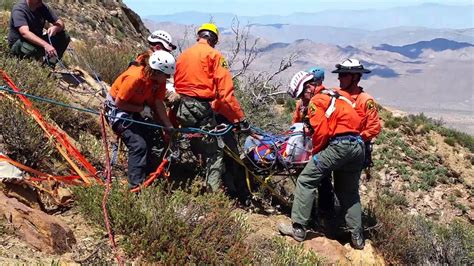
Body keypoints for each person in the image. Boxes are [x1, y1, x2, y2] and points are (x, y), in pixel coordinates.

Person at [278, 70, 366, 250]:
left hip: (339, 145)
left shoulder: (316, 101)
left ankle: (298, 228)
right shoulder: (337, 94)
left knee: (306, 180)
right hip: (358, 146)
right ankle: (357, 238)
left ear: (309, 87)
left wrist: (314, 155)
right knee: (349, 192)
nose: (303, 98)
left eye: (303, 94)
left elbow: (323, 132)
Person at [172, 22, 247, 192]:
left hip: (180, 107)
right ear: (213, 40)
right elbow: (226, 94)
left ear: (199, 36)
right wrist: (240, 119)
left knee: (198, 143)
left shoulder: (183, 55)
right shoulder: (214, 55)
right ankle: (211, 196)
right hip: (200, 108)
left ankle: (194, 176)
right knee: (215, 153)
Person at [104, 50, 175, 189]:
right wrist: (142, 110)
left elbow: (158, 102)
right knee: (138, 144)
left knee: (153, 137)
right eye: (166, 75)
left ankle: (148, 175)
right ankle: (135, 186)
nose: (167, 79)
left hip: (136, 108)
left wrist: (168, 125)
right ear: (157, 71)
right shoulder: (135, 77)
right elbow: (119, 103)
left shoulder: (157, 81)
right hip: (117, 110)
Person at [332, 59, 381, 171]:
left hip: (355, 154)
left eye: (343, 74)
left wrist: (354, 139)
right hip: (336, 150)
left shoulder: (365, 100)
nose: (339, 78)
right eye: (339, 74)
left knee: (347, 187)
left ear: (354, 77)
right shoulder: (336, 96)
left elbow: (374, 128)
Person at [8, 0, 70, 66]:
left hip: (37, 41)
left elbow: (60, 23)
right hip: (21, 43)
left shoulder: (42, 7)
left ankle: (49, 64)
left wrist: (56, 28)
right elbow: (25, 33)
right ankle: (27, 65)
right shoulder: (19, 9)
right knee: (31, 50)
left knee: (64, 36)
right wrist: (46, 45)